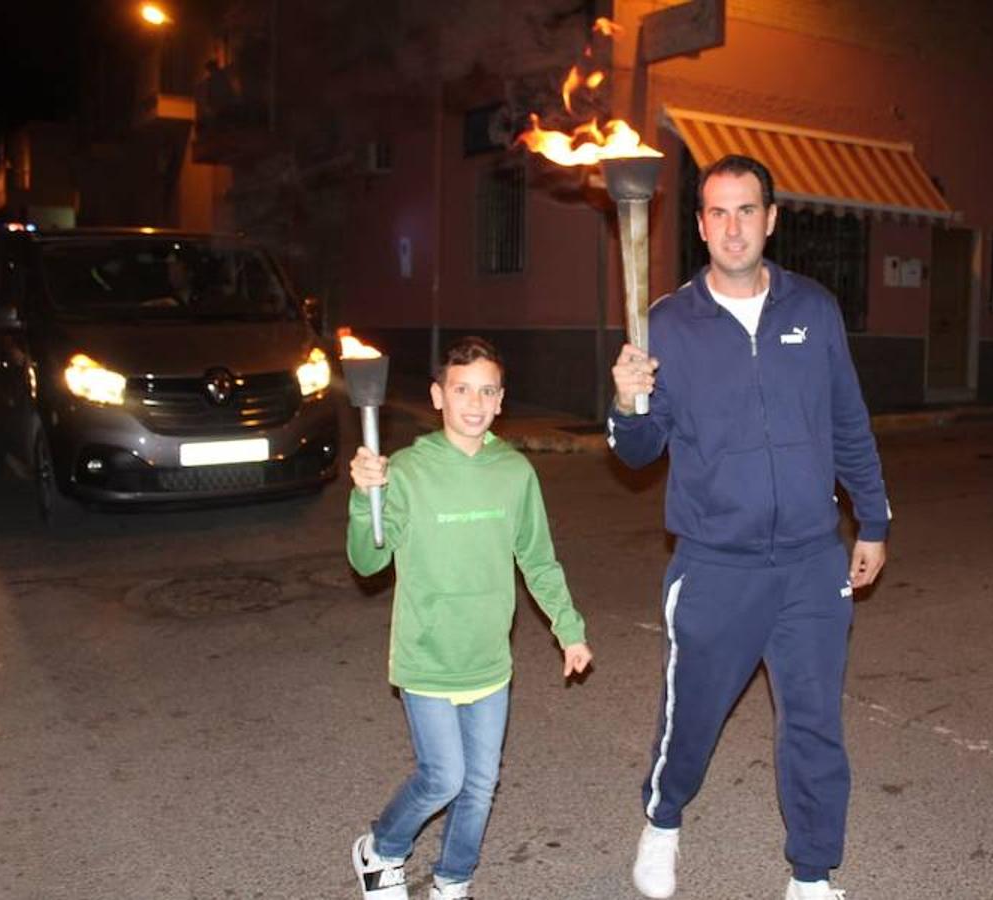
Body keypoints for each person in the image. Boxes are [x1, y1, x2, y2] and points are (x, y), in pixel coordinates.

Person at [609, 154, 890, 900]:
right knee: (692, 716)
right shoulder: (668, 323)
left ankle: (812, 875)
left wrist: (873, 518)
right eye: (717, 213)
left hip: (807, 560)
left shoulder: (814, 309)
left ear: (770, 219)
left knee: (814, 725)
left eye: (746, 210)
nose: (733, 227)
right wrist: (627, 404)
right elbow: (638, 455)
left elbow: (848, 422)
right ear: (700, 226)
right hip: (715, 564)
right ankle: (663, 821)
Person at [347, 336, 593, 900]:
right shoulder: (405, 470)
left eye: (486, 391)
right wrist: (366, 500)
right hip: (428, 656)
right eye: (462, 390)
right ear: (438, 396)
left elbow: (537, 558)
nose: (474, 402)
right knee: (443, 778)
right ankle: (382, 848)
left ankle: (452, 880)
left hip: (489, 661)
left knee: (480, 785)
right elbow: (367, 560)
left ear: (501, 400)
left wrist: (569, 629)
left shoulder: (514, 473)